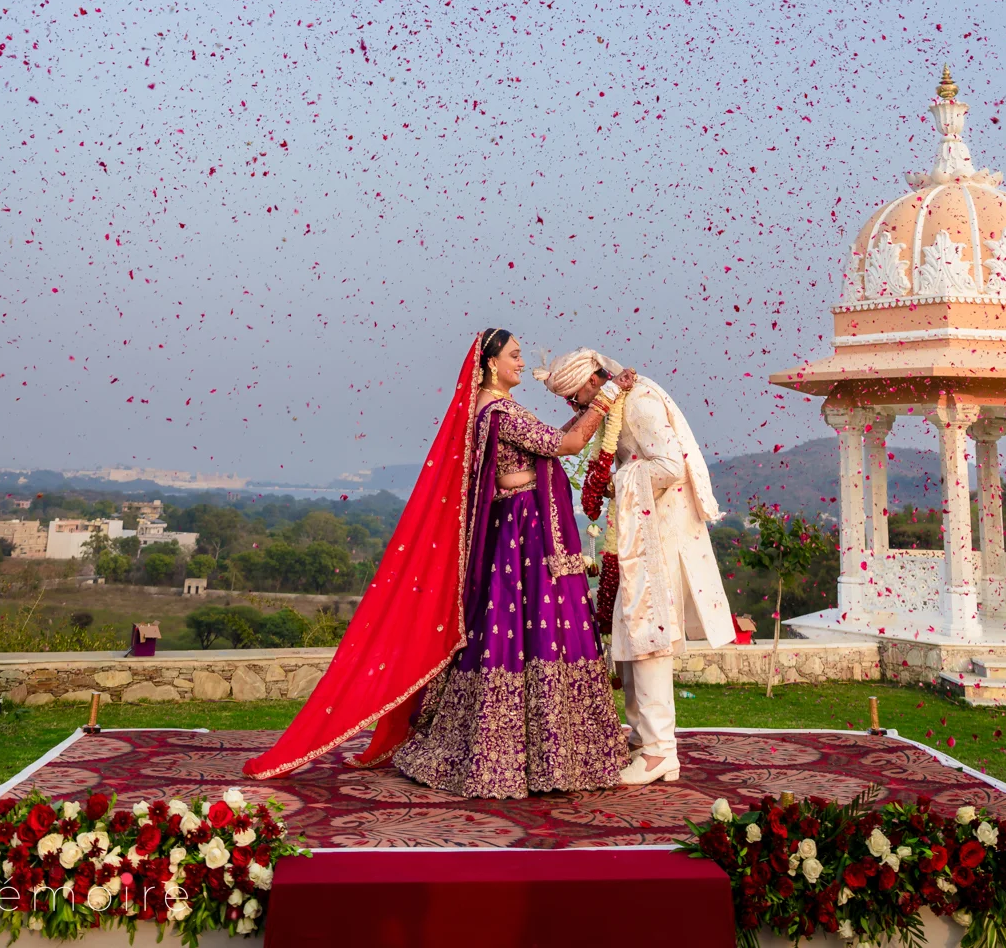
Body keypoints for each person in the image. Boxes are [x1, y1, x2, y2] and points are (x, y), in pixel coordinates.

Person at [243, 329, 630, 798]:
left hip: (523, 533)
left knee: (528, 634)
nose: (522, 364)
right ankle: (516, 755)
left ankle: (544, 753)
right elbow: (566, 446)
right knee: (524, 634)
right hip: (522, 541)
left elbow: (553, 445)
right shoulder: (498, 412)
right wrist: (607, 395)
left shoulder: (492, 409)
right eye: (514, 356)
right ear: (489, 364)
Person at [535, 349, 734, 786]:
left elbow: (669, 466)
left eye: (576, 398)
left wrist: (614, 481)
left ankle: (661, 750)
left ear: (592, 381)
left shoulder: (639, 401)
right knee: (631, 629)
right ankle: (646, 738)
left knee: (649, 633)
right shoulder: (617, 402)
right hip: (639, 532)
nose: (577, 408)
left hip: (658, 536)